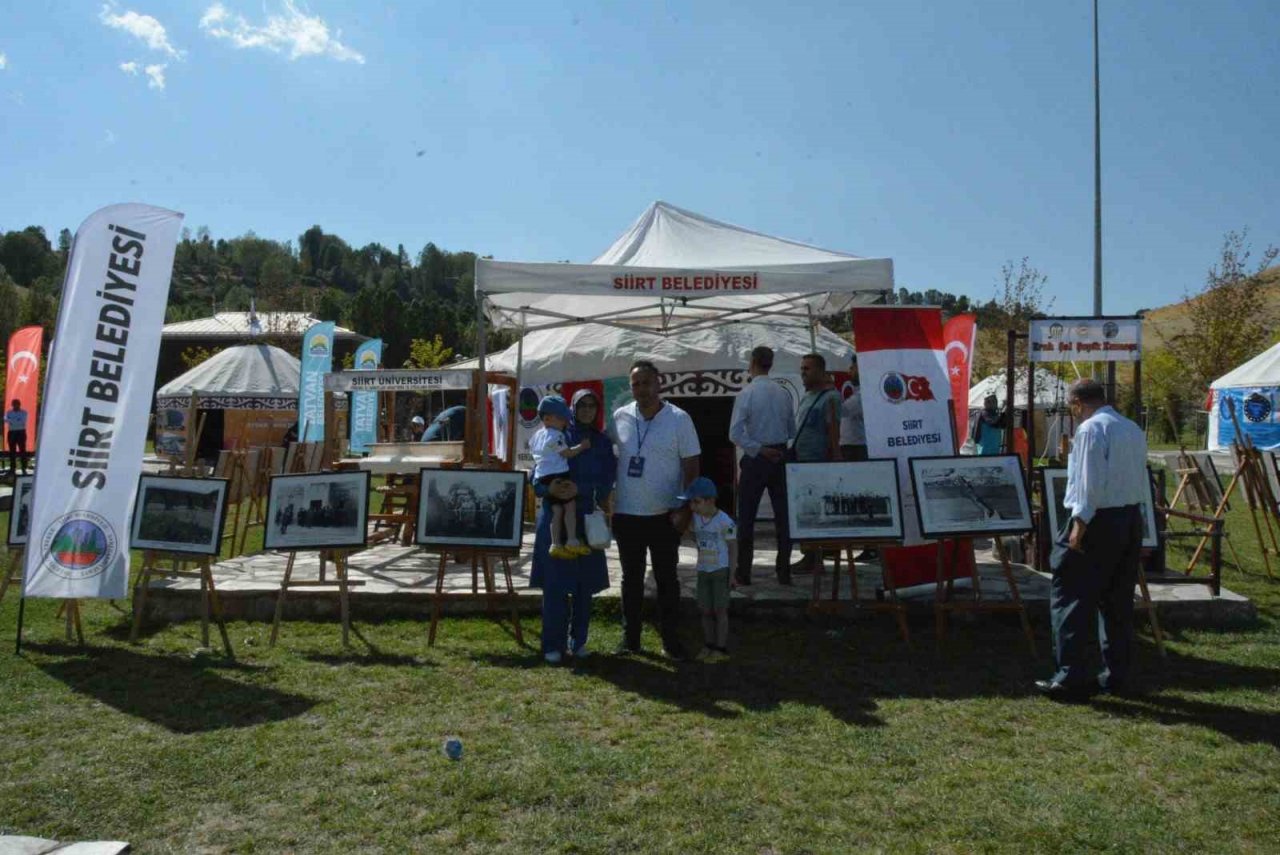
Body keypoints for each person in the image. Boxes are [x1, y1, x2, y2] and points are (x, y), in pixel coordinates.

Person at [1037, 378, 1150, 701]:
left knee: (1070, 597)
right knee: (1117, 601)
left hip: (1097, 520)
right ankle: (1117, 675)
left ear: (1077, 403)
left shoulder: (1090, 430)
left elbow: (1089, 483)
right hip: (1128, 518)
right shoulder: (1131, 428)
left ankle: (1070, 677)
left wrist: (1079, 525)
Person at [611, 360, 701, 659]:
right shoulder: (620, 417)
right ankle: (631, 639)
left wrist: (686, 510)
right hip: (627, 514)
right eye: (635, 384)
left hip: (666, 515)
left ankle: (671, 641)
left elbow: (692, 466)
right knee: (631, 580)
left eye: (646, 382)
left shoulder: (679, 419)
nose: (641, 389)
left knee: (667, 580)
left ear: (659, 383)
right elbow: (606, 458)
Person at [530, 389, 617, 663]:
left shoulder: (601, 442)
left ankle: (578, 641)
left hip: (585, 517)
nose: (587, 410)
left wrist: (584, 489)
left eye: (592, 405)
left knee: (583, 585)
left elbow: (607, 480)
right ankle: (552, 644)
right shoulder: (557, 433)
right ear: (572, 408)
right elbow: (536, 472)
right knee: (555, 584)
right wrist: (546, 488)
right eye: (582, 405)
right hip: (555, 515)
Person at [728, 346, 795, 586]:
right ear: (771, 363)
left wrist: (758, 448)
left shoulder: (747, 393)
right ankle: (784, 571)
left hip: (757, 458)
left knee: (746, 517)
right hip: (780, 455)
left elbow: (734, 433)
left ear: (753, 363)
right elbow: (791, 430)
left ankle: (744, 572)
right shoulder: (783, 394)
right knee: (783, 517)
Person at [789, 354, 841, 574]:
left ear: (820, 371)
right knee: (804, 510)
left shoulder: (831, 398)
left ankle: (816, 557)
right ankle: (809, 554)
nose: (803, 372)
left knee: (816, 511)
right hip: (801, 462)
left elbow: (834, 432)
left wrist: (834, 461)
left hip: (818, 462)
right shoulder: (807, 396)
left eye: (807, 369)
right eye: (802, 368)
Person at [679, 477, 737, 662]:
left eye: (696, 502)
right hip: (703, 570)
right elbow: (696, 538)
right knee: (705, 610)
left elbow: (733, 548)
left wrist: (732, 575)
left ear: (710, 500)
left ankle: (721, 648)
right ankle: (709, 644)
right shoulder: (696, 519)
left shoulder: (725, 521)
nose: (692, 507)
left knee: (720, 610)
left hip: (720, 570)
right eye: (691, 502)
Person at [529, 395, 591, 559]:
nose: (565, 422)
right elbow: (567, 453)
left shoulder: (537, 435)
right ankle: (572, 540)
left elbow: (535, 455)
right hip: (558, 475)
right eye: (562, 419)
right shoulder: (556, 435)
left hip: (543, 476)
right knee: (569, 506)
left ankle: (555, 544)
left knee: (557, 510)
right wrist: (582, 446)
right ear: (547, 418)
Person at [839, 354, 867, 461]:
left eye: (852, 368)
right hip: (849, 443)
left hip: (856, 445)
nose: (849, 372)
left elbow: (843, 411)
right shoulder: (856, 390)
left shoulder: (863, 393)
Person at [5, 399, 29, 478]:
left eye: (17, 404)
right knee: (12, 451)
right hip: (11, 432)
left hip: (21, 432)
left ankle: (24, 468)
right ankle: (12, 469)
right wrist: (15, 421)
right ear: (12, 405)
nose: (15, 405)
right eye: (14, 404)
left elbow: (22, 422)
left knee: (22, 451)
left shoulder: (24, 412)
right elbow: (6, 420)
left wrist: (12, 421)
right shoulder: (9, 412)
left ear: (19, 404)